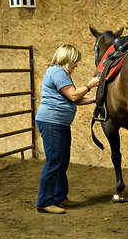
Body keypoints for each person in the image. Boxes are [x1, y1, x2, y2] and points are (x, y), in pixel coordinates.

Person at [35, 44, 100, 214]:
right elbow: (73, 95)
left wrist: (93, 100)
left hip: (59, 123)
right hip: (51, 122)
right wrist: (90, 84)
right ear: (67, 59)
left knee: (62, 161)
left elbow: (74, 100)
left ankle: (60, 197)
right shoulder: (57, 72)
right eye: (75, 61)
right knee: (54, 161)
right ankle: (44, 202)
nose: (76, 65)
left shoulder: (62, 74)